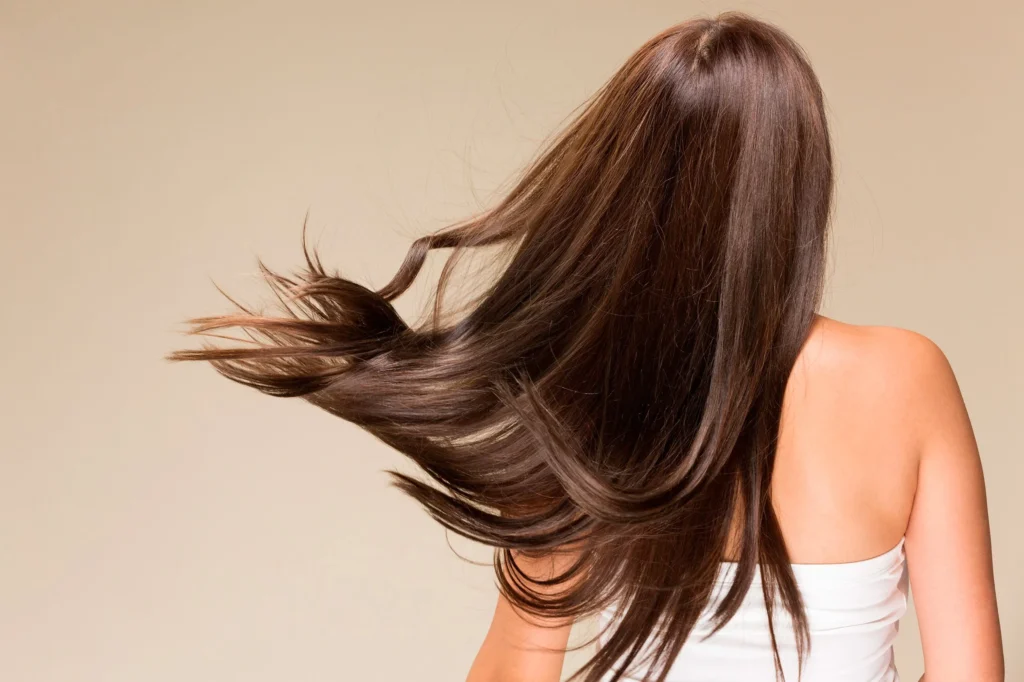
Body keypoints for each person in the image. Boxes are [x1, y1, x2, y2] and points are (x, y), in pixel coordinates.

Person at [167, 11, 1003, 682]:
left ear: (628, 183)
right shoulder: (906, 376)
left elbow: (517, 668)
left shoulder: (590, 397)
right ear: (800, 186)